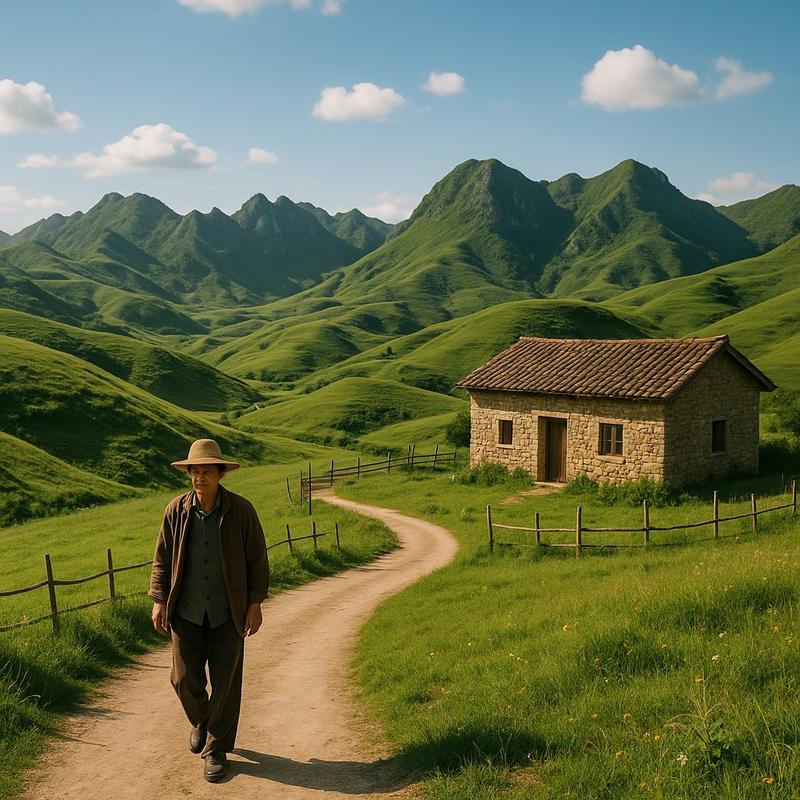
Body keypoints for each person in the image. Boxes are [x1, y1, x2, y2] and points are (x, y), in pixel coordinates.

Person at [148, 438, 269, 783]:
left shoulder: (242, 512)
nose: (200, 477)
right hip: (185, 611)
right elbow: (162, 559)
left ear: (220, 474)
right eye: (195, 471)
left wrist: (255, 603)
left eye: (206, 471)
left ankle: (216, 749)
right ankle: (203, 721)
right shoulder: (176, 510)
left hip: (227, 612)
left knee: (227, 684)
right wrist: (159, 600)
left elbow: (257, 560)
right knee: (183, 678)